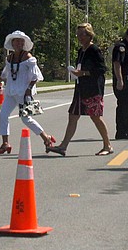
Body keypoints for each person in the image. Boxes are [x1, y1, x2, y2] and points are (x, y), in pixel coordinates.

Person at [47, 23, 113, 156]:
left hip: (93, 89)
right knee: (73, 116)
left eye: (83, 34)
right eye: (78, 34)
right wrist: (77, 73)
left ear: (89, 35)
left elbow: (101, 69)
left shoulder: (94, 50)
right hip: (80, 88)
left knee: (96, 117)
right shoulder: (81, 50)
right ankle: (63, 146)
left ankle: (108, 146)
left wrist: (83, 73)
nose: (80, 37)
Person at [0, 30, 56, 154]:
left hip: (24, 93)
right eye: (16, 41)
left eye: (21, 41)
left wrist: (28, 90)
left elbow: (35, 76)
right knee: (3, 115)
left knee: (26, 119)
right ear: (12, 43)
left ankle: (46, 138)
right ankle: (5, 143)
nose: (18, 44)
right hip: (11, 91)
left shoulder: (28, 57)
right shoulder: (9, 58)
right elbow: (6, 73)